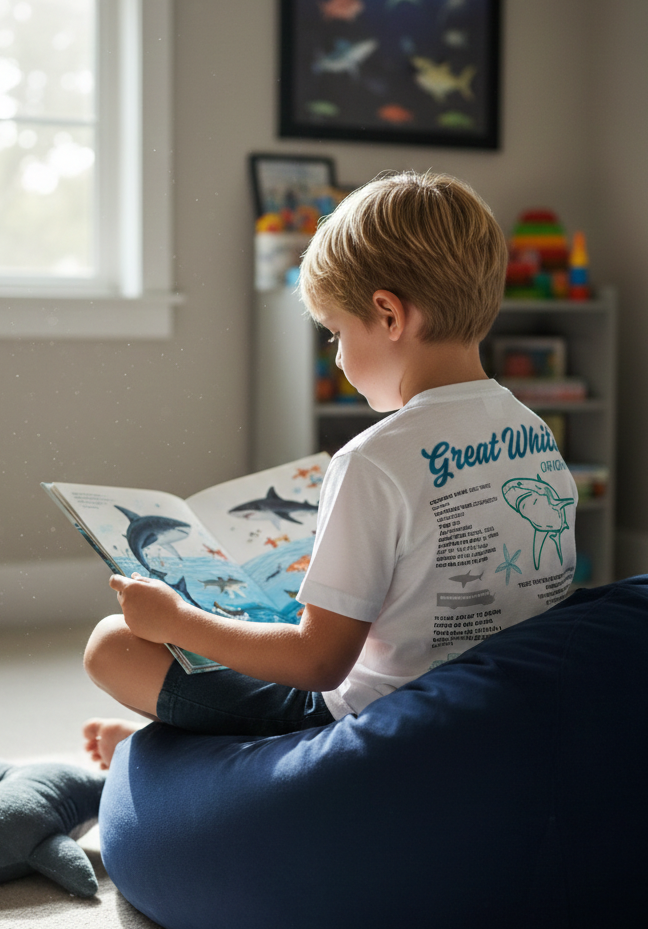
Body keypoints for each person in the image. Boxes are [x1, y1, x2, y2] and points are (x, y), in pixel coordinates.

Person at [82, 170, 578, 769]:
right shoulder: (533, 431)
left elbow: (318, 665)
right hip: (497, 700)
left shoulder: (373, 458)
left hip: (372, 715)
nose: (337, 355)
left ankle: (155, 753)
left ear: (390, 315)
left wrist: (178, 619)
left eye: (337, 332)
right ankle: (155, 748)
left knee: (112, 645)